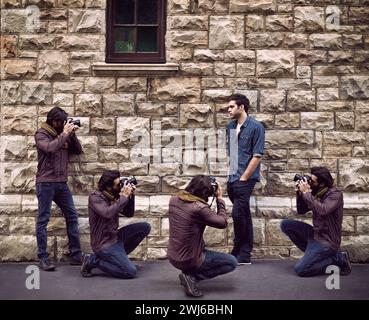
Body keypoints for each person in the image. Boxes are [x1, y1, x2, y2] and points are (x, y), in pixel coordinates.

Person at [168, 175, 238, 298]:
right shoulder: (199, 208)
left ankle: (188, 273)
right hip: (189, 259)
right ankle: (192, 277)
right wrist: (219, 200)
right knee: (231, 262)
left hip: (173, 256)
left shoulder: (173, 200)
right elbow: (223, 222)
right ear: (207, 192)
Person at [35, 107, 83, 271]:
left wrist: (72, 134)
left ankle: (76, 255)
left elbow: (77, 151)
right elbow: (50, 148)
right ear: (54, 121)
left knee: (72, 217)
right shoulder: (41, 134)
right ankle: (42, 258)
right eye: (61, 122)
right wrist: (64, 134)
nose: (63, 124)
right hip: (45, 183)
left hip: (62, 184)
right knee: (43, 220)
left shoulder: (64, 135)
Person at [280, 166, 352, 277]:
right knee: (286, 225)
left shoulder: (335, 194)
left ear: (322, 184)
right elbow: (301, 210)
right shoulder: (317, 191)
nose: (310, 183)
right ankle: (314, 255)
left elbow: (323, 210)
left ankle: (336, 259)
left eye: (312, 181)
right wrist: (300, 193)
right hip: (315, 235)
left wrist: (307, 193)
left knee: (301, 270)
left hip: (327, 241)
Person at [81, 170, 151, 279]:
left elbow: (129, 213)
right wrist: (124, 196)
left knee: (145, 227)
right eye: (118, 184)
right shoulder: (95, 198)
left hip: (115, 237)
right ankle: (93, 261)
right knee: (130, 272)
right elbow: (107, 213)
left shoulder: (113, 194)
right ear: (109, 187)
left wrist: (130, 196)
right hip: (103, 244)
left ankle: (119, 259)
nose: (120, 186)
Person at [226, 93, 265, 265]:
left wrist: (244, 178)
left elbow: (257, 155)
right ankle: (244, 253)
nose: (228, 110)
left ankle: (238, 249)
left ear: (241, 107)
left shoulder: (256, 127)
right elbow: (232, 153)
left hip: (244, 179)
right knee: (244, 214)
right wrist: (231, 175)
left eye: (231, 106)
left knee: (237, 214)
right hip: (232, 177)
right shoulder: (230, 126)